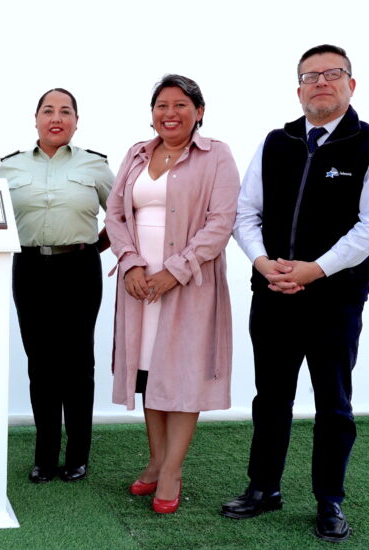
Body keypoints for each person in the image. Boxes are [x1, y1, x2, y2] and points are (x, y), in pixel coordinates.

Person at [221, 45, 369, 542]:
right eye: (310, 76)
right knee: (271, 399)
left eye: (332, 74)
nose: (321, 82)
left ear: (351, 85)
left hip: (335, 300)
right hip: (272, 293)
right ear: (298, 88)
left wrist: (314, 270)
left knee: (333, 404)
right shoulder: (276, 142)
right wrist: (262, 262)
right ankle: (264, 488)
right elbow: (245, 214)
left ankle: (330, 500)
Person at [106, 75, 239, 514]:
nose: (170, 113)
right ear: (152, 113)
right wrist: (132, 262)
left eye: (181, 104)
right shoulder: (137, 154)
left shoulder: (216, 155)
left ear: (198, 112)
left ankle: (173, 470)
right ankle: (156, 459)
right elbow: (115, 215)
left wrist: (174, 271)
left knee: (181, 376)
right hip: (139, 284)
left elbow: (220, 224)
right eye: (162, 105)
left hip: (189, 285)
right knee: (148, 373)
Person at [0, 88, 113, 484]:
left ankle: (78, 455)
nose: (56, 117)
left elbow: (122, 215)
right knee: (40, 363)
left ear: (76, 121)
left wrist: (94, 246)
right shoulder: (9, 168)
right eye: (48, 110)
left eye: (65, 111)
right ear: (36, 119)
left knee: (79, 363)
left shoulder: (94, 165)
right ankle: (45, 456)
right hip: (29, 268)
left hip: (79, 268)